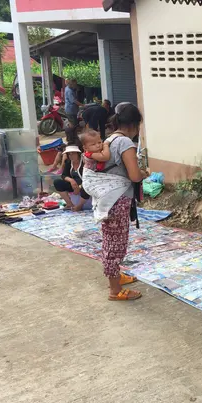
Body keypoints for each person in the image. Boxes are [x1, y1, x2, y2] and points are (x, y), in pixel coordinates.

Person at [82, 103, 149, 301]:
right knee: (115, 244)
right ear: (135, 124)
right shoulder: (125, 143)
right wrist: (145, 173)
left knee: (111, 239)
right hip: (117, 201)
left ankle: (117, 277)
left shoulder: (110, 139)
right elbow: (135, 175)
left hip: (108, 200)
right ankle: (114, 290)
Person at [53, 145, 90, 212]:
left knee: (86, 185)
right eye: (69, 154)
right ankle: (70, 204)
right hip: (75, 185)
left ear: (78, 153)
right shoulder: (69, 162)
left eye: (73, 153)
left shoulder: (85, 161)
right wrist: (72, 181)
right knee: (57, 182)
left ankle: (79, 206)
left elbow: (88, 177)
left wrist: (79, 186)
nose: (71, 155)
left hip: (86, 184)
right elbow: (64, 175)